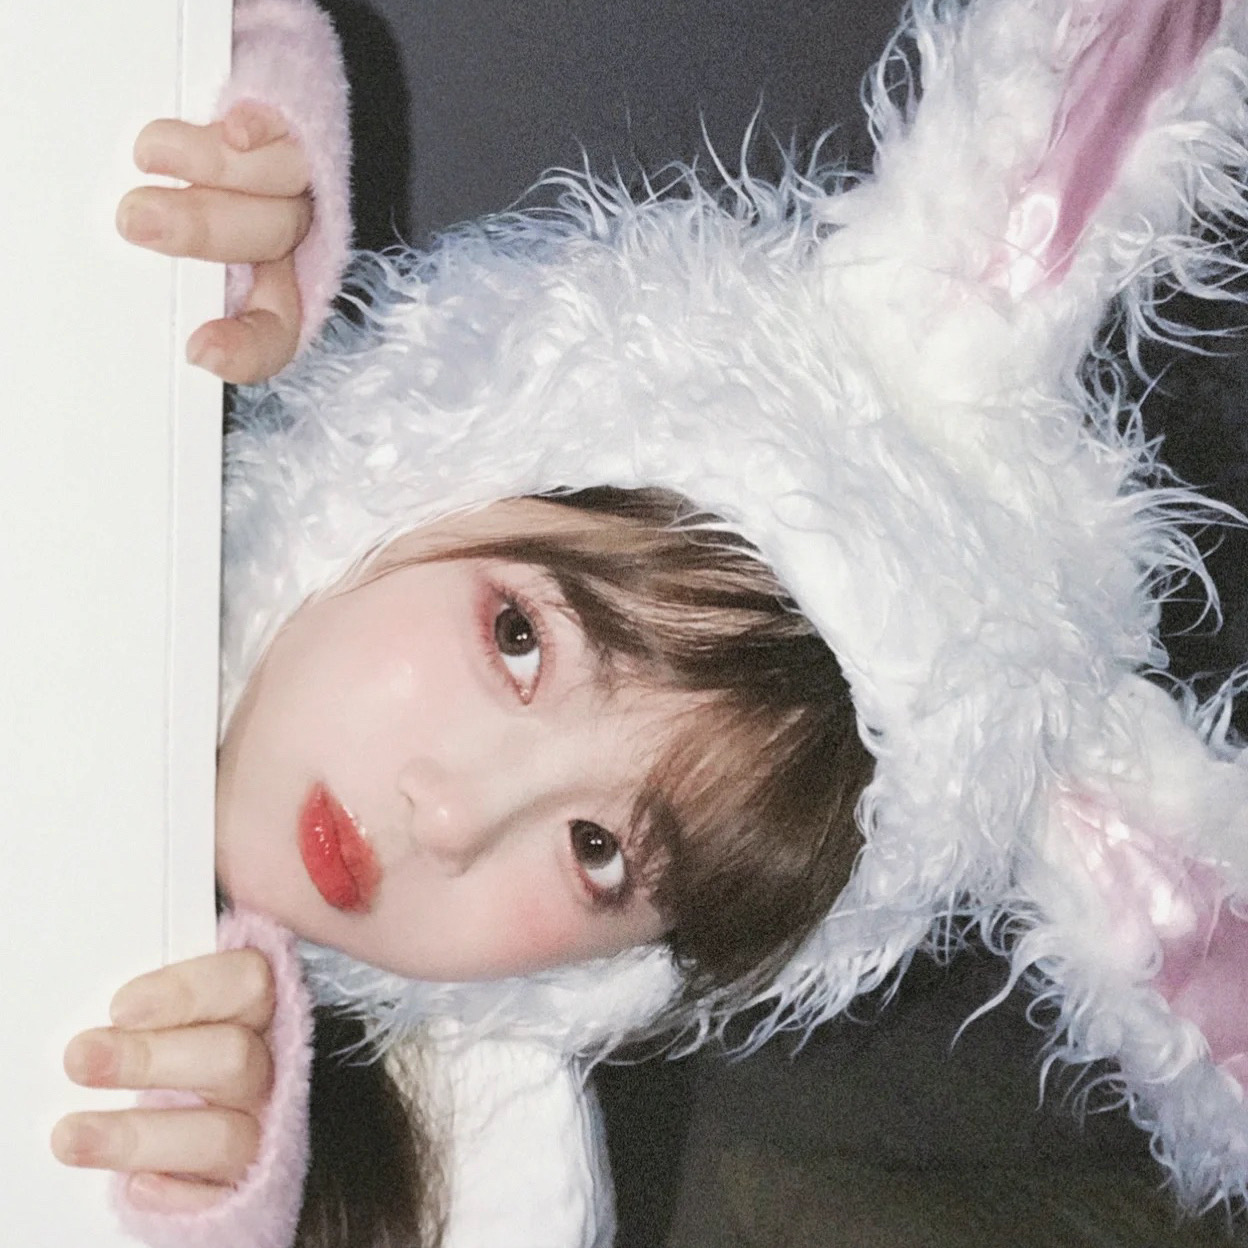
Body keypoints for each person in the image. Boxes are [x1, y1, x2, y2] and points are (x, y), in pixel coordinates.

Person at [55, 0, 1248, 1244]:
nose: (453, 817)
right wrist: (186, 148)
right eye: (521, 640)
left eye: (599, 853)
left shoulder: (473, 1186)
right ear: (429, 470)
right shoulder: (122, 453)